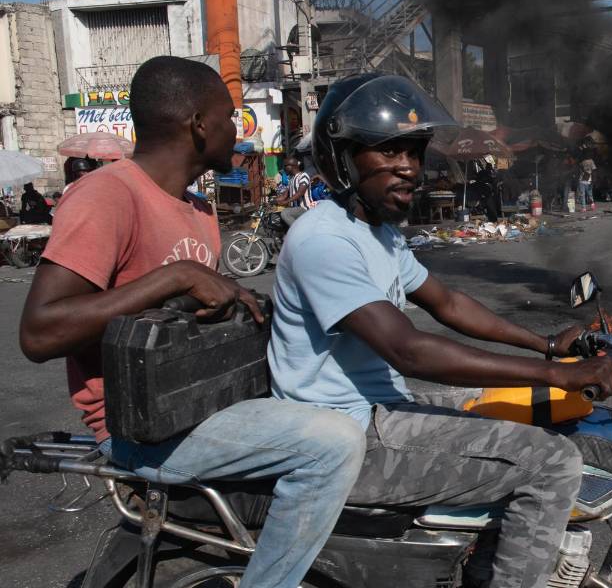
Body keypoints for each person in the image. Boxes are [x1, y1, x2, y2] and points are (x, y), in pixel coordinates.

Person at [18, 56, 366, 588]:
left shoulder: (199, 209)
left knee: (351, 403)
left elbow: (187, 318)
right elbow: (39, 332)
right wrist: (175, 277)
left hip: (200, 406)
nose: (237, 132)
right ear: (199, 124)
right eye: (229, 118)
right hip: (138, 429)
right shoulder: (108, 194)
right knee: (333, 442)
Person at [268, 73, 612, 588]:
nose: (409, 167)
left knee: (523, 410)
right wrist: (556, 374)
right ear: (342, 157)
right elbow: (409, 351)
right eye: (388, 151)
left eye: (414, 153)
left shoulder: (378, 234)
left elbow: (449, 303)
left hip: (381, 410)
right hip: (347, 437)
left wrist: (547, 345)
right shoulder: (324, 240)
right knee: (552, 463)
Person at [277, 156, 315, 226]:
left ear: (292, 166)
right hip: (295, 209)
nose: (284, 168)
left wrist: (286, 201)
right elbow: (285, 195)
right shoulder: (291, 179)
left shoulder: (303, 176)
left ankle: (299, 230)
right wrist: (274, 201)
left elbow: (300, 193)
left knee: (285, 213)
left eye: (285, 166)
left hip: (304, 208)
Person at [472, 154, 504, 222]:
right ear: (489, 168)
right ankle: (492, 216)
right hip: (484, 191)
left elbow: (477, 178)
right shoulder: (487, 174)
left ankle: (491, 214)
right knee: (490, 201)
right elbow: (491, 181)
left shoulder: (482, 172)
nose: (490, 169)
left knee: (490, 201)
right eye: (490, 168)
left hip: (481, 190)